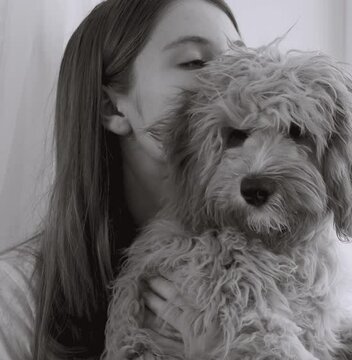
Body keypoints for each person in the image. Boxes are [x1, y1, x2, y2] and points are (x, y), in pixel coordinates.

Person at [0, 0, 242, 358]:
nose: (239, 82)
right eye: (195, 61)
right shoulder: (16, 300)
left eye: (241, 61)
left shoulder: (291, 273)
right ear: (112, 107)